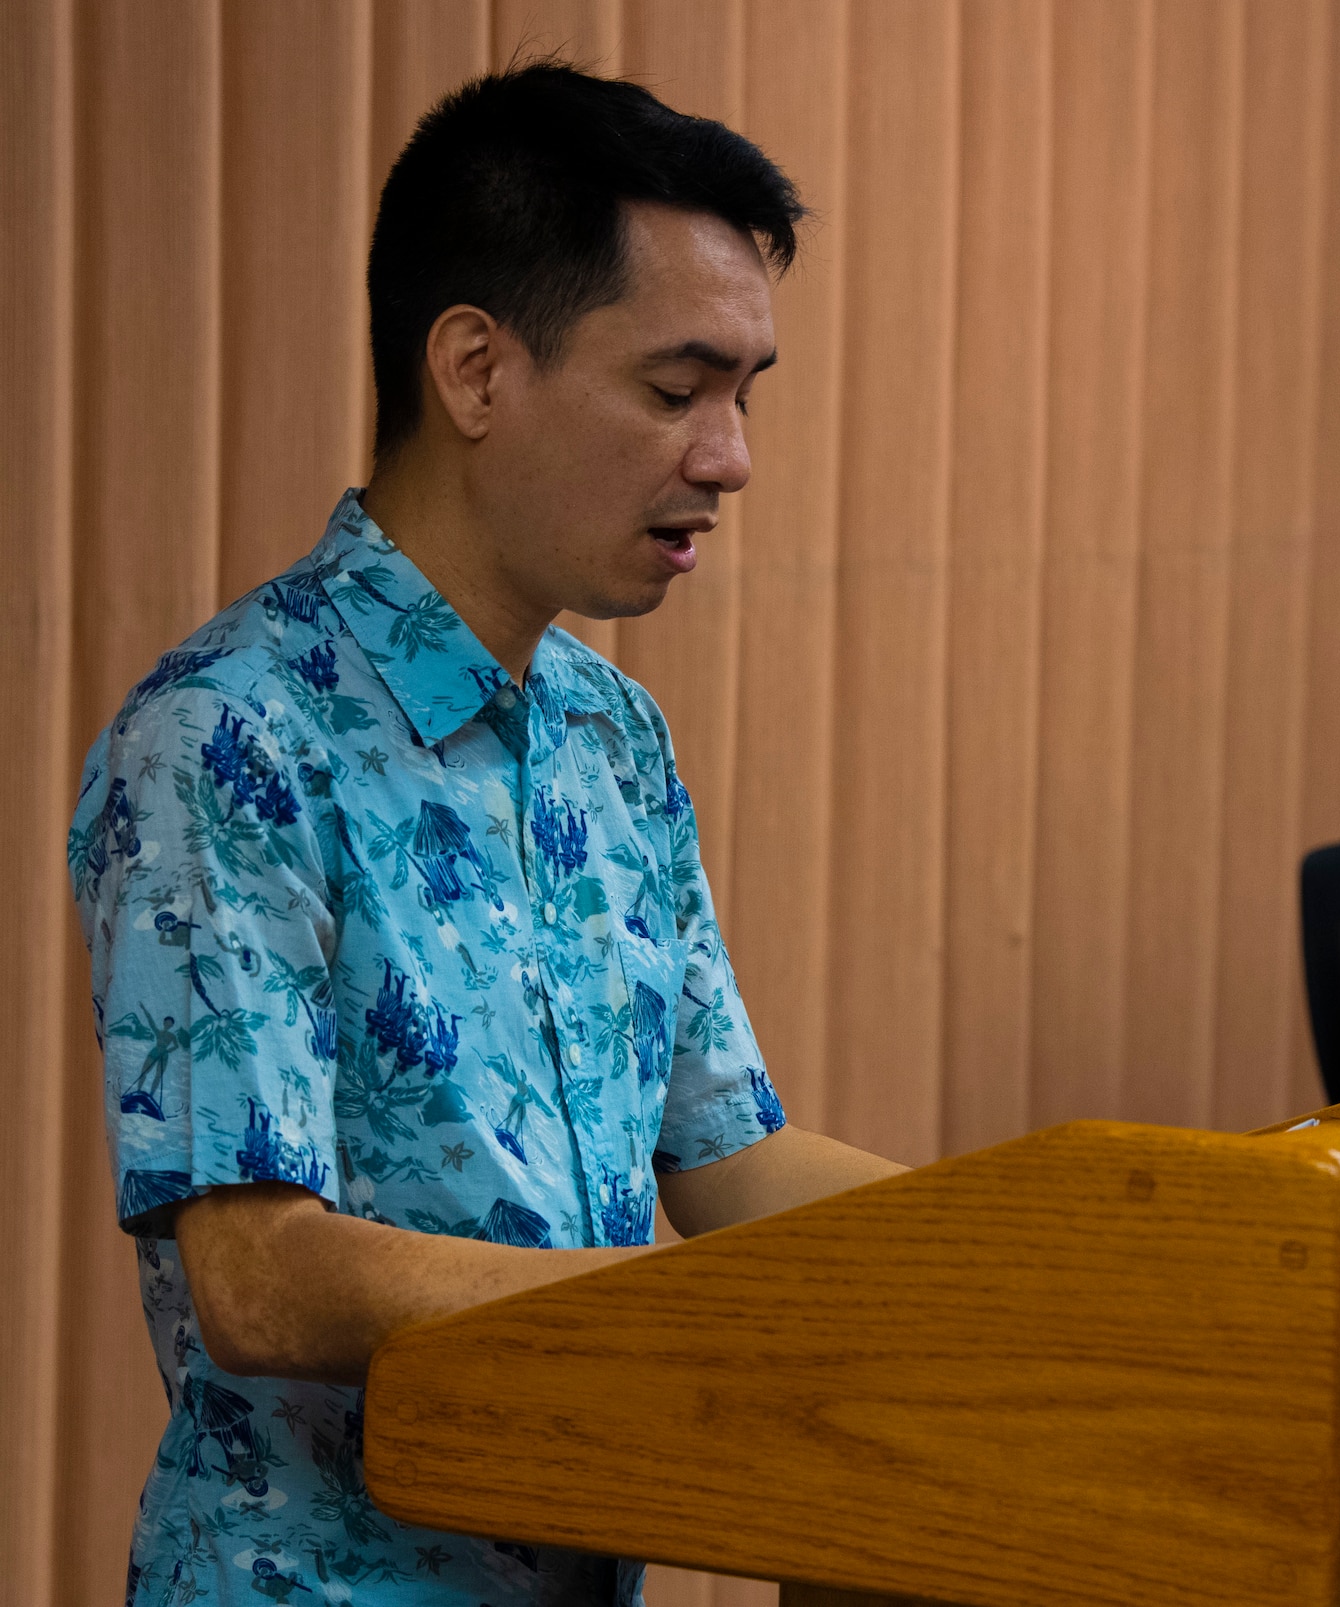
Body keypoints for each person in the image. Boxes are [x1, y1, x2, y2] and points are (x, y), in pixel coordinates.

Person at [72, 64, 904, 1607]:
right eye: (677, 389)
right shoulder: (227, 732)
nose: (730, 457)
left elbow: (727, 1152)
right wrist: (690, 1319)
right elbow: (257, 1271)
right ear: (473, 370)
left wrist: (1047, 1246)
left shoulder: (612, 731)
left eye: (747, 393)